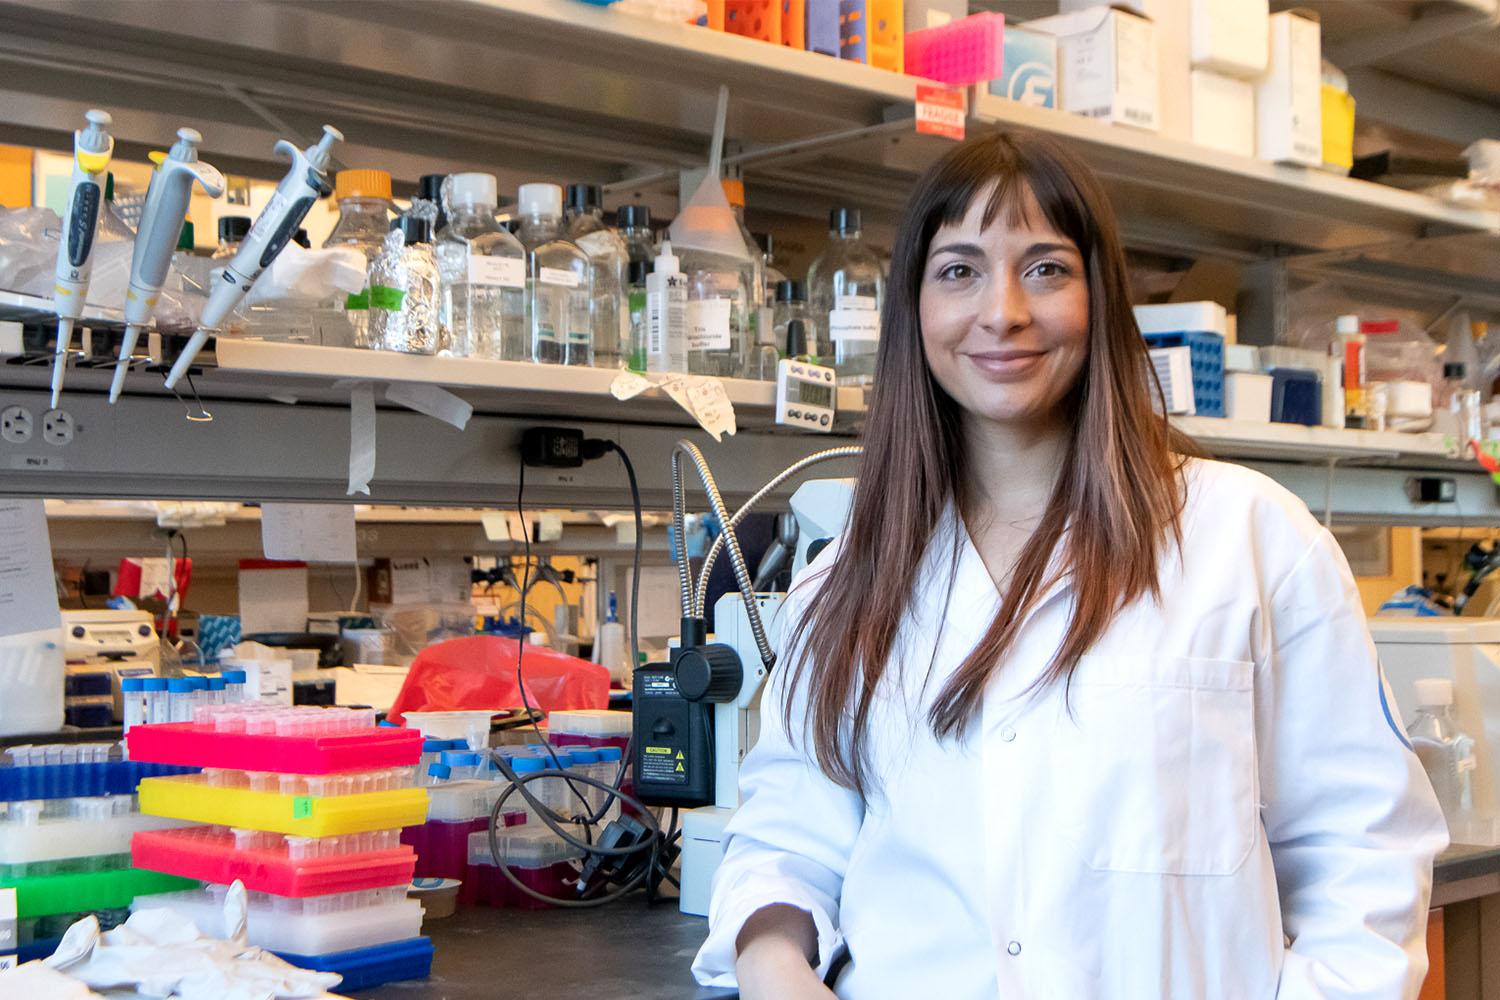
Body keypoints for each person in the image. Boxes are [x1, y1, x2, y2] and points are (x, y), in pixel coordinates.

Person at [690, 127, 1449, 999]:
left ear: (1099, 296)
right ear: (915, 309)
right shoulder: (853, 574)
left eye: (1045, 268)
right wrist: (773, 962)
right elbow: (788, 838)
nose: (1003, 311)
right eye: (959, 270)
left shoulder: (1252, 543)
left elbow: (1364, 854)